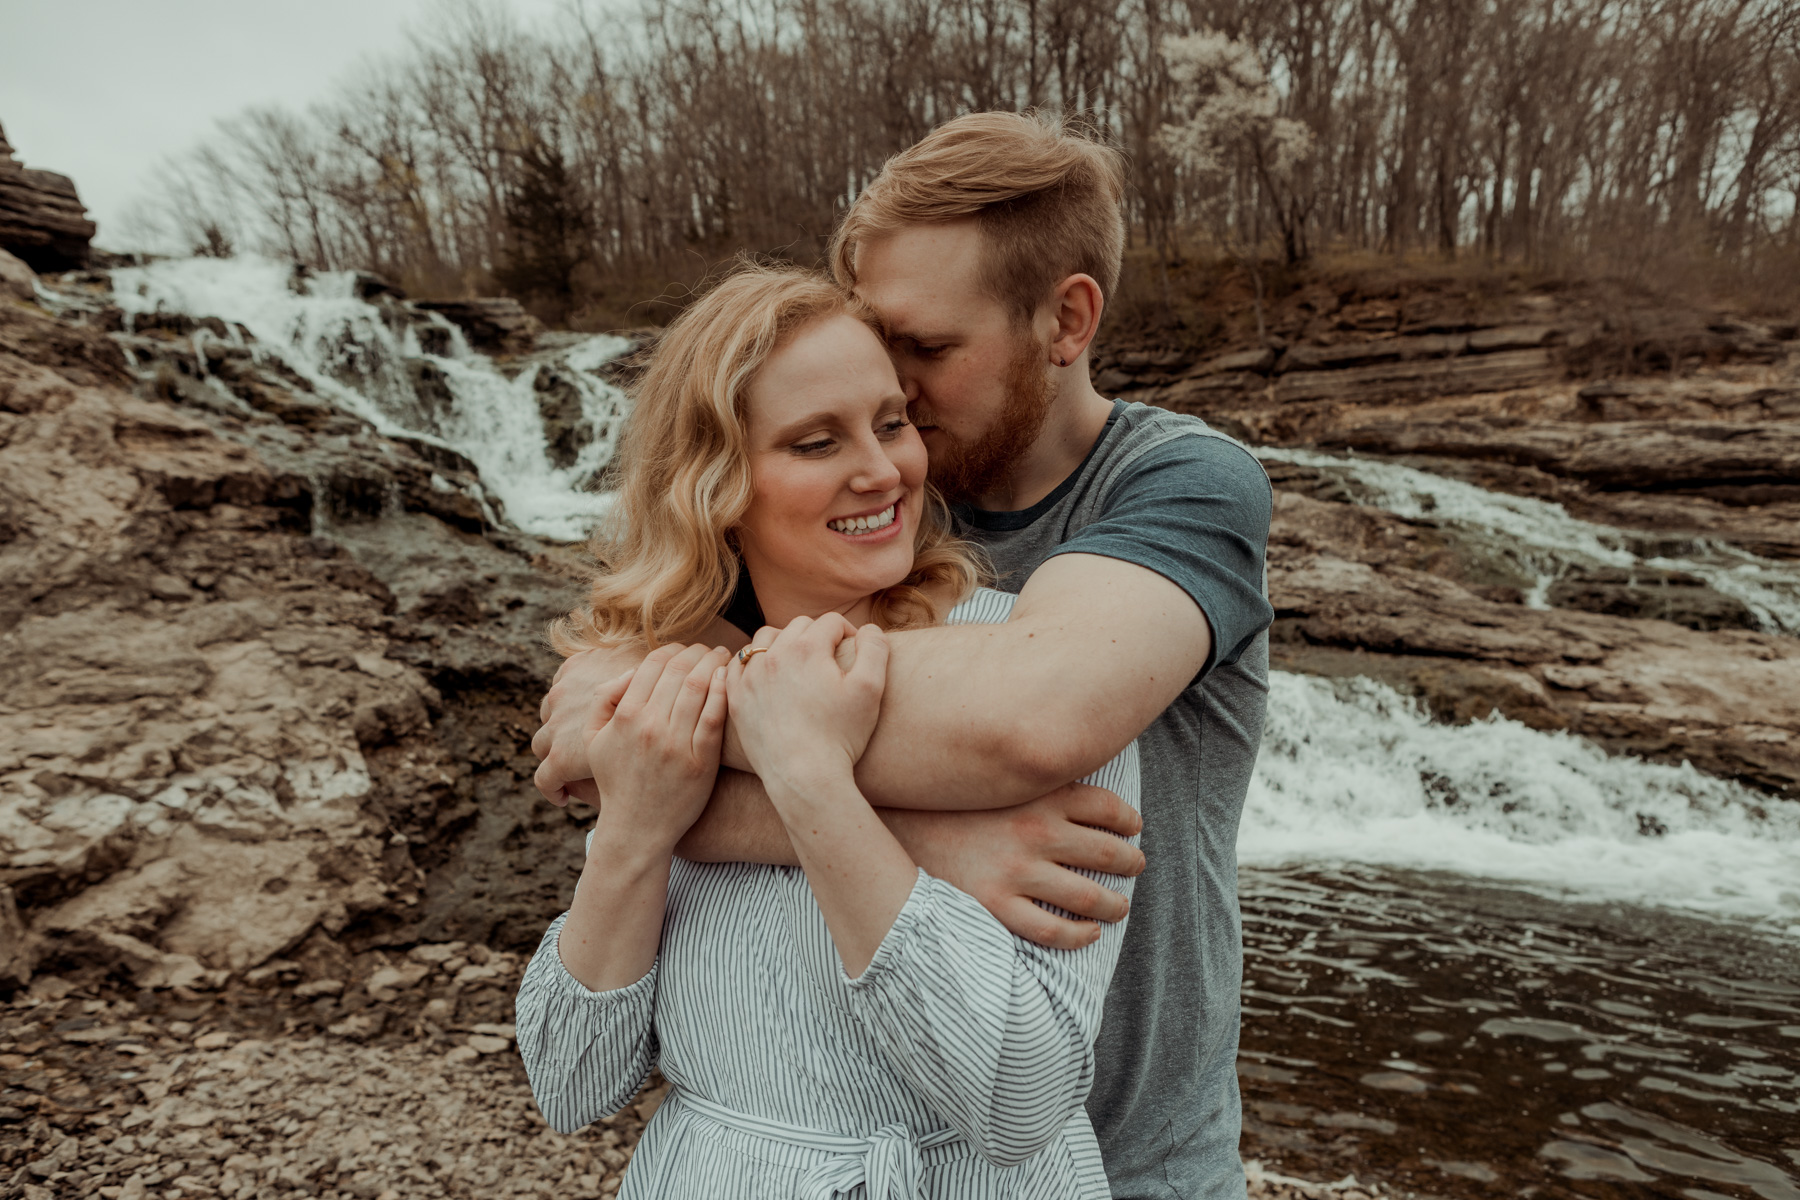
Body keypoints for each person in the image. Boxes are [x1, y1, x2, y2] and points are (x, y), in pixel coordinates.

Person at [534, 112, 1274, 1200]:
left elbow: (1036, 716)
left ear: (1067, 320)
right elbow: (592, 726)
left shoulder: (1176, 484)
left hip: (1133, 1146)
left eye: (921, 358)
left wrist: (657, 728)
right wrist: (936, 840)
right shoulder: (835, 536)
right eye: (830, 424)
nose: (894, 437)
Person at [516, 263, 1142, 1199]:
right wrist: (635, 836)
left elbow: (1022, 1102)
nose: (883, 469)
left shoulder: (1026, 670)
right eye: (817, 442)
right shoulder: (666, 698)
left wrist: (812, 778)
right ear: (715, 486)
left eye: (892, 422)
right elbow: (570, 1084)